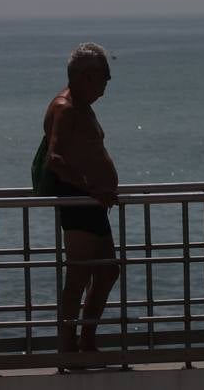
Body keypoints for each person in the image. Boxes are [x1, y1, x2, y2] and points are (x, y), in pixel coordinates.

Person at [42, 42, 121, 356]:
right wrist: (91, 188)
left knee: (107, 270)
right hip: (80, 200)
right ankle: (68, 345)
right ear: (86, 76)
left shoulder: (82, 106)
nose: (106, 85)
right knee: (78, 275)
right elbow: (55, 158)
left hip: (92, 202)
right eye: (105, 77)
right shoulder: (66, 106)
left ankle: (86, 339)